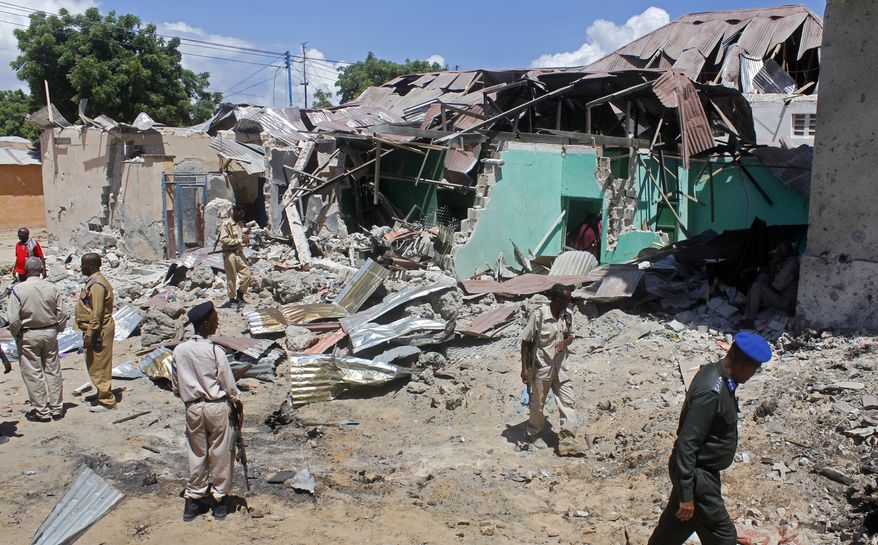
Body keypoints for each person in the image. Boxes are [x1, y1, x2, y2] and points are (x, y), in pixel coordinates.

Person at [647, 332, 772, 545]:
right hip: (697, 475)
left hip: (696, 472)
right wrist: (687, 492)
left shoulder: (715, 374)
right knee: (722, 536)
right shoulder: (711, 392)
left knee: (675, 527)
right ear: (746, 364)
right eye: (755, 369)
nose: (753, 374)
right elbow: (688, 442)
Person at [172, 301, 241, 522]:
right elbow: (229, 385)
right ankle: (220, 500)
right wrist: (236, 400)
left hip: (192, 408)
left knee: (197, 453)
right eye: (214, 319)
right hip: (216, 407)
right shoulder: (214, 351)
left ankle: (193, 501)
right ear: (204, 324)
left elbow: (176, 385)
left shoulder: (179, 350)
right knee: (221, 453)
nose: (217, 322)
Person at [519, 284, 586, 456]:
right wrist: (525, 369)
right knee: (538, 404)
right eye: (567, 298)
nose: (570, 301)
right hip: (543, 367)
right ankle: (533, 434)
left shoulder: (568, 314)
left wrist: (566, 342)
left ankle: (568, 439)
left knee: (567, 401)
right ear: (557, 300)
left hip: (562, 367)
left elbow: (570, 335)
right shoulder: (539, 315)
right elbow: (526, 342)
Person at [7, 257, 67, 422]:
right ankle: (57, 408)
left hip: (28, 334)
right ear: (42, 270)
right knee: (53, 371)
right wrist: (58, 329)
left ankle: (42, 411)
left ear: (25, 270)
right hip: (49, 333)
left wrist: (16, 334)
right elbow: (62, 313)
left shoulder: (19, 289)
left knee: (33, 374)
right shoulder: (52, 288)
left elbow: (13, 318)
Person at [74, 253, 116, 411]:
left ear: (90, 266)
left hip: (99, 330)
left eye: (83, 264)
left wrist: (91, 334)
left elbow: (97, 312)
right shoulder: (93, 281)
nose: (81, 268)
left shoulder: (97, 285)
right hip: (95, 329)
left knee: (100, 365)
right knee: (94, 363)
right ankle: (100, 392)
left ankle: (106, 400)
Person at [742, 241, 799, 327]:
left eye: (779, 252)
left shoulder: (791, 266)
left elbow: (775, 287)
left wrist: (773, 264)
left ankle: (748, 320)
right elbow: (773, 270)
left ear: (784, 253)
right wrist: (754, 269)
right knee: (763, 276)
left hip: (786, 303)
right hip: (781, 293)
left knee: (757, 287)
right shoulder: (788, 261)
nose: (777, 254)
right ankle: (751, 305)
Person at [218, 204, 251, 308]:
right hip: (229, 254)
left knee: (247, 275)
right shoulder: (226, 224)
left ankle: (240, 295)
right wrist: (239, 240)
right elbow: (223, 239)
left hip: (239, 253)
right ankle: (232, 300)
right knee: (231, 278)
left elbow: (241, 236)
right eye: (239, 214)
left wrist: (245, 240)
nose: (241, 216)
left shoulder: (238, 224)